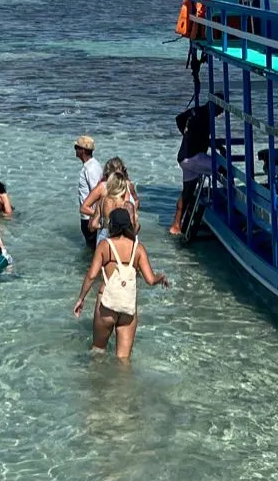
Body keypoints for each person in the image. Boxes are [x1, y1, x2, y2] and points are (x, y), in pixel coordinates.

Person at [74, 209, 170, 360]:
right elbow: (150, 280)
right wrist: (161, 277)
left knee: (98, 352)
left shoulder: (105, 246)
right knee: (123, 361)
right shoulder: (138, 248)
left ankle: (96, 383)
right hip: (127, 307)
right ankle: (123, 384)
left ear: (111, 225)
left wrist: (81, 299)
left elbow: (91, 275)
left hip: (106, 305)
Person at [170, 101, 221, 236]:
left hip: (184, 156)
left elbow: (179, 119)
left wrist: (186, 136)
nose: (220, 113)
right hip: (194, 157)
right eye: (220, 109)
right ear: (215, 106)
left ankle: (176, 225)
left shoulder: (195, 111)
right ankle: (232, 201)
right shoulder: (205, 116)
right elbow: (203, 139)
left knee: (187, 191)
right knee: (222, 168)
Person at [81, 157, 138, 245]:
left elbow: (136, 200)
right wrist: (102, 216)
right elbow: (84, 208)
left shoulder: (128, 185)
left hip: (111, 232)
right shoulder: (102, 187)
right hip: (124, 233)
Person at [74, 135, 103, 248]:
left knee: (93, 251)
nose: (75, 150)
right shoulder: (91, 166)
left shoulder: (91, 168)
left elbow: (97, 194)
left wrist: (94, 218)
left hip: (89, 217)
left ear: (82, 150)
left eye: (76, 147)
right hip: (89, 216)